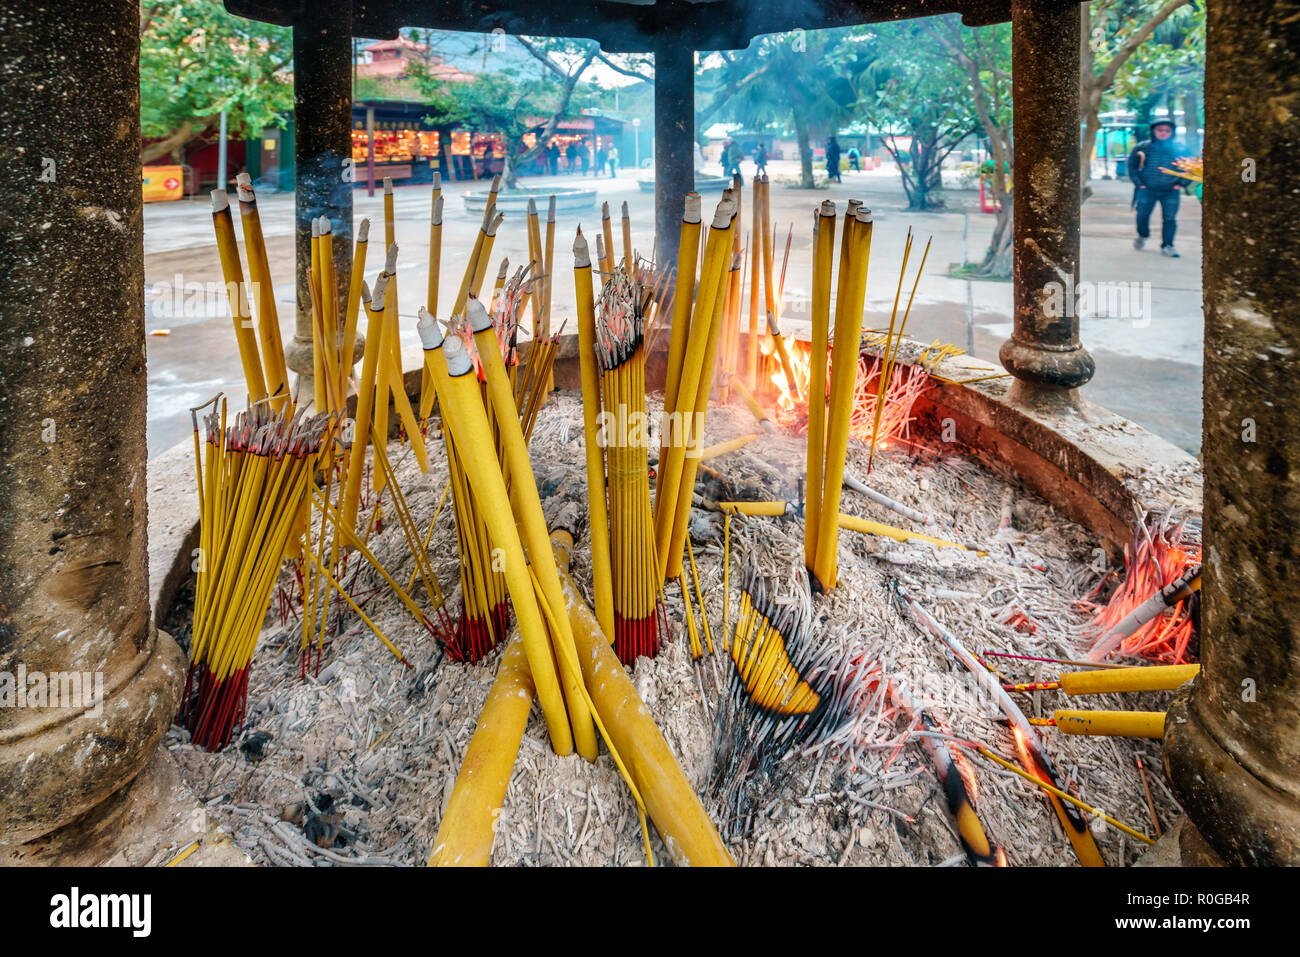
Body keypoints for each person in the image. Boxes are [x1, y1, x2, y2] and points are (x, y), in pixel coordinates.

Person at [1128, 118, 1186, 257]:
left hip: (1171, 190)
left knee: (1170, 218)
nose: (1163, 133)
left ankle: (1168, 245)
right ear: (1154, 131)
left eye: (1167, 130)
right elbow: (1132, 166)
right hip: (1147, 189)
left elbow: (1189, 167)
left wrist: (1181, 183)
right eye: (1160, 130)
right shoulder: (1143, 147)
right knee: (1142, 215)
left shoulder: (1179, 148)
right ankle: (1143, 235)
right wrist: (1139, 184)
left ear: (1172, 132)